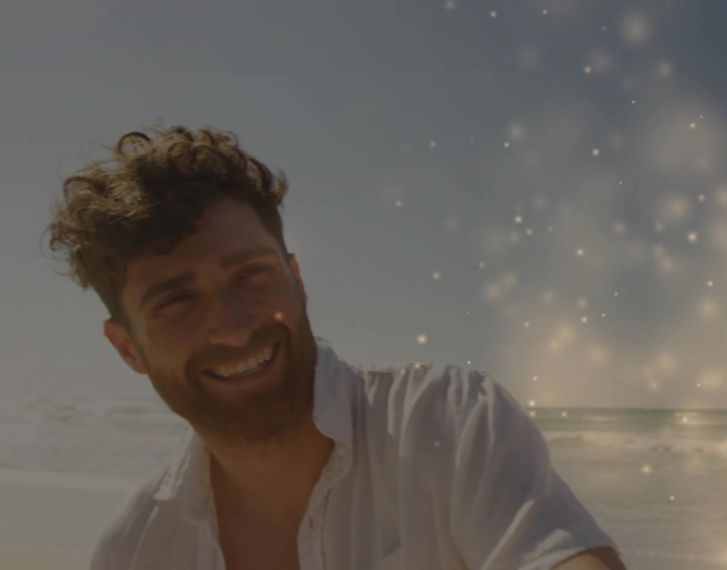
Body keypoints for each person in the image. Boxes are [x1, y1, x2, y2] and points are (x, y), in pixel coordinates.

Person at [45, 125, 626, 570]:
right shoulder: (137, 548)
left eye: (251, 273)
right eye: (175, 301)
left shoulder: (444, 422)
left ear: (296, 277)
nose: (233, 324)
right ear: (128, 348)